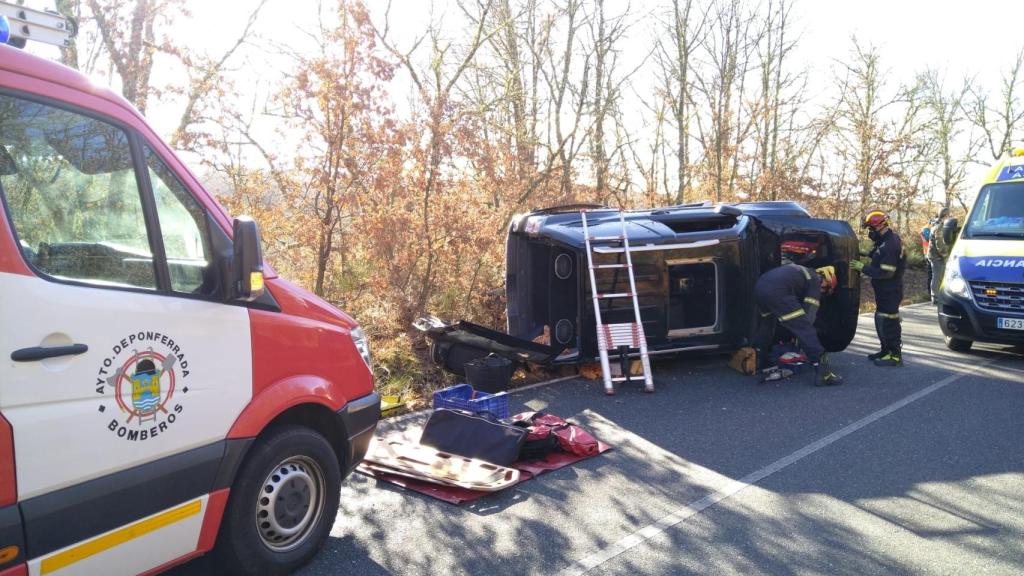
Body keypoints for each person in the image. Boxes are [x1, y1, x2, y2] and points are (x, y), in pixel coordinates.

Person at [752, 263, 843, 386]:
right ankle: (824, 374)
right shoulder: (815, 281)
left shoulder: (802, 272)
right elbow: (809, 316)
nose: (823, 292)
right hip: (778, 292)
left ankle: (759, 361)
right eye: (826, 289)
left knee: (767, 325)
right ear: (825, 280)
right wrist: (801, 336)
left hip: (760, 288)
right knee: (806, 330)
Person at [850, 210, 906, 367]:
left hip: (890, 289)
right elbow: (877, 254)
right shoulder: (886, 240)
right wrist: (861, 253)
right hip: (885, 290)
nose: (870, 232)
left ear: (881, 226)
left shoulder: (889, 244)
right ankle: (886, 350)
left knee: (889, 321)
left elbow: (886, 272)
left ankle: (895, 355)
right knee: (882, 319)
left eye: (871, 229)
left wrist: (863, 268)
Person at [926, 207, 951, 304]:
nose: (949, 217)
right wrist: (946, 256)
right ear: (945, 216)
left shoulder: (939, 225)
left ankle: (938, 295)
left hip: (936, 256)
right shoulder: (939, 227)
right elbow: (939, 244)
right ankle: (935, 297)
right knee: (937, 276)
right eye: (948, 215)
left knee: (938, 276)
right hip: (936, 257)